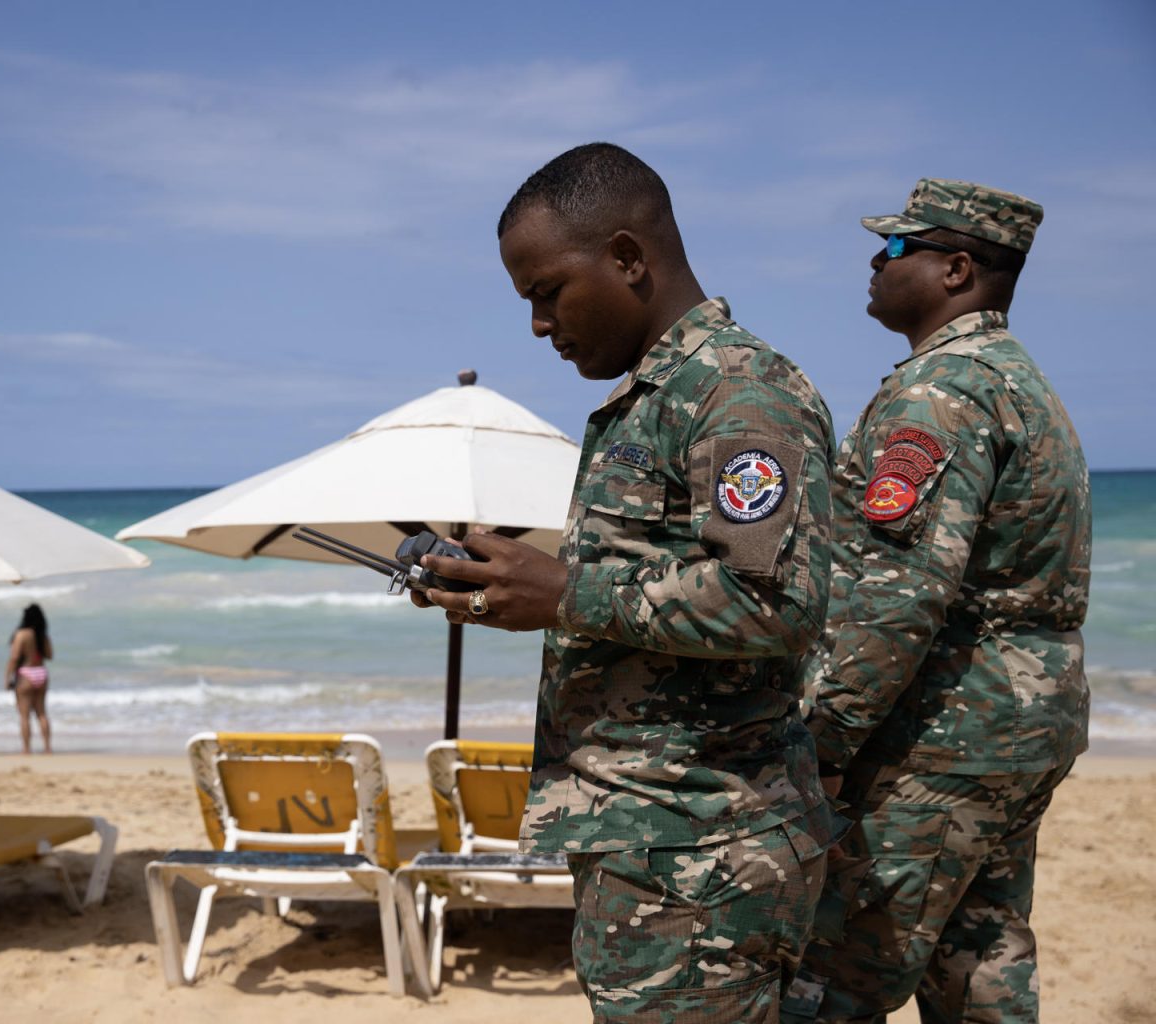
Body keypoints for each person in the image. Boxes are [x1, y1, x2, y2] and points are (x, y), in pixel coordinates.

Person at [411, 142, 839, 1022]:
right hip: (653, 837)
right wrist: (498, 584)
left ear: (629, 259)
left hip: (704, 846)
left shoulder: (740, 392)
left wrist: (565, 593)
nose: (538, 325)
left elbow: (777, 601)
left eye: (546, 293)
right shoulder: (650, 399)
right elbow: (652, 591)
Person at [781, 181, 1090, 1024]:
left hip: (940, 737)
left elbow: (898, 594)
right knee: (979, 961)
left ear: (956, 269)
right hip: (1022, 725)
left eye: (893, 250)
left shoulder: (940, 393)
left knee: (832, 979)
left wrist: (827, 741)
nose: (873, 264)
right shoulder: (1022, 381)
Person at [7, 603, 54, 754]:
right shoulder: (42, 635)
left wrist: (8, 677)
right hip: (41, 672)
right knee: (42, 713)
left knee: (24, 715)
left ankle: (26, 749)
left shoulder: (22, 634)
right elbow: (49, 655)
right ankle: (47, 747)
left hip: (26, 673)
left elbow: (14, 657)